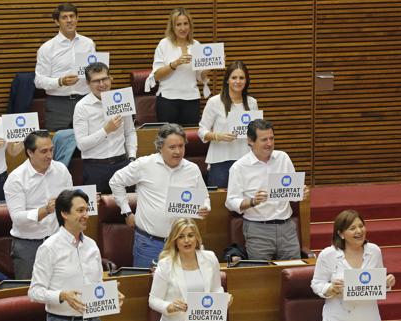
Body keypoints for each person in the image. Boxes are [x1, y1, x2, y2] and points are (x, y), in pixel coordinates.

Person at [29, 189, 124, 321]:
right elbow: (34, 292)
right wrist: (62, 295)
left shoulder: (92, 246)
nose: (86, 214)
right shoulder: (49, 248)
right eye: (80, 210)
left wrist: (112, 294)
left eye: (87, 209)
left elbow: (96, 284)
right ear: (64, 214)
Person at [109, 123, 210, 268]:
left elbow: (205, 197)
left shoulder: (192, 169)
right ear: (160, 147)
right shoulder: (144, 164)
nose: (178, 151)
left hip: (181, 244)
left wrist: (206, 207)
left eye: (181, 146)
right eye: (172, 147)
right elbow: (115, 182)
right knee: (147, 288)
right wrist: (126, 211)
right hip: (149, 244)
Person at [225, 119, 309, 261]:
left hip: (287, 227)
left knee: (293, 269)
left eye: (272, 138)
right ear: (250, 141)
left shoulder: (283, 158)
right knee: (261, 276)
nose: (269, 143)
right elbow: (230, 202)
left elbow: (293, 194)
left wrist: (301, 193)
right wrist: (252, 201)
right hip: (258, 229)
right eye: (264, 139)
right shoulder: (239, 167)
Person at [311, 210, 396, 321]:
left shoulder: (374, 251)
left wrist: (386, 282)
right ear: (341, 234)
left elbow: (378, 284)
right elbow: (316, 284)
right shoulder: (328, 254)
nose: (359, 231)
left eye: (361, 226)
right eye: (352, 228)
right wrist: (331, 288)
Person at [149, 218, 232, 321]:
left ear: (197, 238)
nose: (187, 240)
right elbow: (153, 300)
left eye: (190, 235)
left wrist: (224, 299)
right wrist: (170, 306)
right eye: (181, 236)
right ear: (175, 241)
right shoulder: (165, 265)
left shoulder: (210, 258)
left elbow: (216, 289)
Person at [4, 130, 73, 279]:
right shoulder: (16, 178)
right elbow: (17, 218)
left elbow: (69, 205)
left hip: (57, 241)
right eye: (44, 151)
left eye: (51, 150)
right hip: (28, 245)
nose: (49, 155)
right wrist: (45, 210)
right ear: (30, 152)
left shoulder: (61, 170)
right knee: (28, 295)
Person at [73, 62, 137, 194]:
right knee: (98, 212)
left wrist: (132, 158)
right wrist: (106, 130)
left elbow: (130, 132)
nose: (102, 84)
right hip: (95, 168)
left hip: (122, 164)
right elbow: (81, 144)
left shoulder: (121, 99)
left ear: (111, 78)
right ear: (87, 83)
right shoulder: (81, 107)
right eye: (96, 81)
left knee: (128, 208)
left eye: (105, 79)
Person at [35, 3, 95, 131]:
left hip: (85, 99)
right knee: (58, 144)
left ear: (77, 18)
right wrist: (60, 81)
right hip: (58, 104)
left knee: (90, 141)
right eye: (64, 17)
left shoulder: (88, 44)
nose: (69, 20)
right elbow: (38, 81)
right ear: (57, 22)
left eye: (72, 16)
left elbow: (93, 71)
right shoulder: (47, 48)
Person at [198, 61, 258, 188]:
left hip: (246, 159)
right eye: (234, 77)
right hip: (220, 160)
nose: (238, 81)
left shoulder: (252, 103)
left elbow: (256, 132)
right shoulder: (214, 102)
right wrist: (217, 136)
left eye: (241, 78)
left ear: (246, 81)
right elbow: (201, 131)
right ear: (227, 80)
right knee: (219, 204)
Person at [149, 8, 210, 126]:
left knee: (190, 138)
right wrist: (175, 64)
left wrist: (210, 66)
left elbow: (200, 76)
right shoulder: (164, 44)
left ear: (190, 25)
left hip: (191, 99)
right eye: (178, 24)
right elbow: (156, 76)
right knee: (168, 139)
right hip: (167, 99)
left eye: (186, 24)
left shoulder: (196, 45)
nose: (183, 28)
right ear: (172, 27)